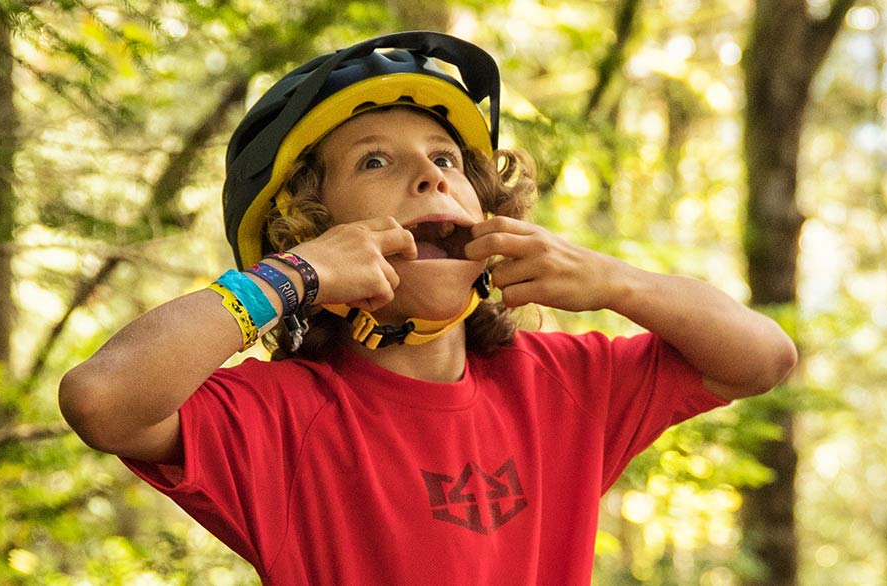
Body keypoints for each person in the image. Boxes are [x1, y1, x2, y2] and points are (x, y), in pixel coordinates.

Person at [57, 31, 796, 584]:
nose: (429, 176)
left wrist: (615, 282)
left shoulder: (564, 385)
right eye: (374, 160)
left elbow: (763, 358)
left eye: (446, 159)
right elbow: (102, 400)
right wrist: (292, 278)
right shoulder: (283, 417)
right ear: (311, 228)